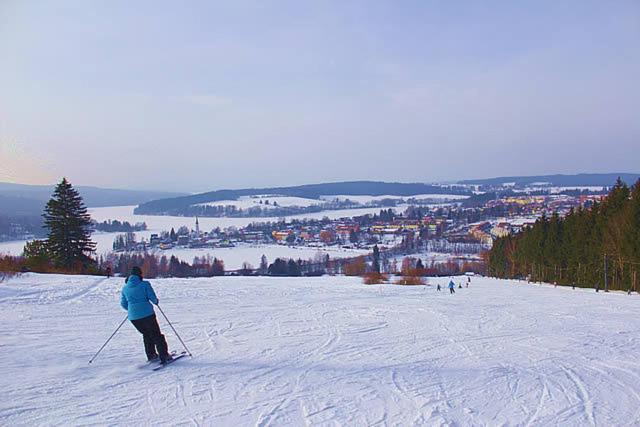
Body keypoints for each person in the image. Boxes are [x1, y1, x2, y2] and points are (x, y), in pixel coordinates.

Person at [120, 266, 172, 363]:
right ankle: (164, 356)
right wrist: (156, 302)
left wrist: (132, 309)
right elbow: (152, 298)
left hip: (133, 317)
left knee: (146, 334)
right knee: (156, 335)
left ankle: (151, 355)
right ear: (139, 274)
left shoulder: (125, 288)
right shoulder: (145, 284)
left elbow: (123, 304)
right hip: (147, 314)